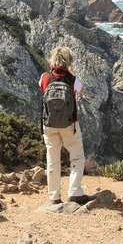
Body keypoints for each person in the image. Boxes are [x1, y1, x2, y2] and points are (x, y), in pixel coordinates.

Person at [39, 47, 92, 206]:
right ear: (68, 61)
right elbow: (81, 90)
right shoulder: (72, 79)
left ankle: (54, 196)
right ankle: (75, 192)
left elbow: (42, 89)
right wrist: (72, 74)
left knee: (52, 159)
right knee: (76, 156)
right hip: (70, 123)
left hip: (49, 123)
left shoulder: (45, 77)